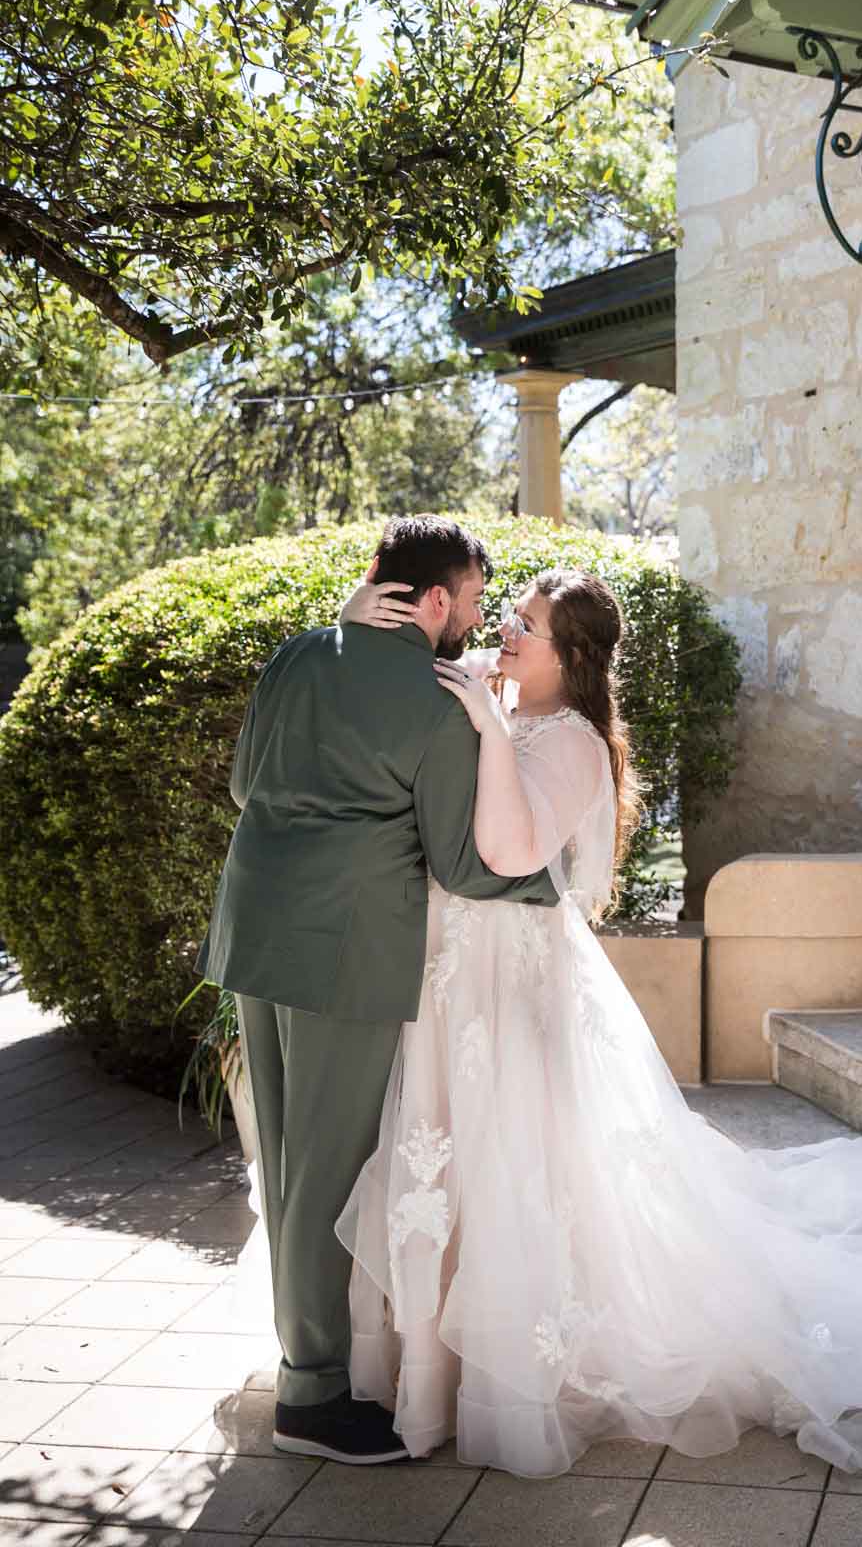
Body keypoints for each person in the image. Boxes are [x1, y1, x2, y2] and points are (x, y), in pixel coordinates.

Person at [328, 566, 862, 1478]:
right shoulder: (508, 711)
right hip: (461, 975)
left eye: (524, 626)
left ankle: (513, 1379)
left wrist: (485, 729)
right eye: (505, 618)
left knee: (523, 1165)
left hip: (515, 978)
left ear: (572, 657)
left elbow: (506, 849)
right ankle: (429, 1371)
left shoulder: (572, 740)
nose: (502, 634)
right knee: (454, 1158)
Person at [197, 515, 559, 1466]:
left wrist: (332, 633)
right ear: (433, 599)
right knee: (324, 1166)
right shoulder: (440, 702)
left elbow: (244, 784)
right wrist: (549, 880)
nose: (476, 622)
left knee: (281, 1157)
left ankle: (300, 1362)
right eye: (474, 601)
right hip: (344, 949)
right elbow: (464, 863)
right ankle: (311, 1397)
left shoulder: (297, 654)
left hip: (254, 927)